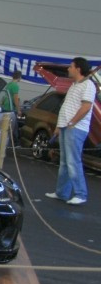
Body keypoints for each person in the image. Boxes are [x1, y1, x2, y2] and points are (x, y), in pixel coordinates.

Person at [46, 57, 96, 206]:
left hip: (75, 128)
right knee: (65, 162)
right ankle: (62, 192)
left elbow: (86, 107)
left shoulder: (88, 85)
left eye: (71, 66)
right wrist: (59, 126)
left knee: (73, 162)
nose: (68, 69)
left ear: (78, 69)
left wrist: (72, 122)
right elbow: (67, 106)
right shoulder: (74, 85)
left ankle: (81, 194)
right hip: (66, 127)